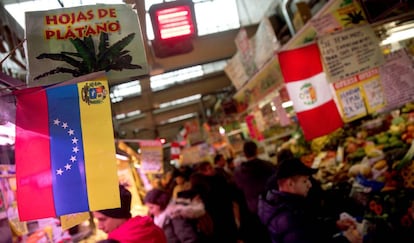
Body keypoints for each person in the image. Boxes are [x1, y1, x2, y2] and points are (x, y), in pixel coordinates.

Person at [258, 157, 362, 243]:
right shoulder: (288, 218)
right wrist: (346, 239)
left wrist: (335, 225)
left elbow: (309, 229)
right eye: (305, 181)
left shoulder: (288, 204)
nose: (310, 185)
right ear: (290, 183)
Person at [93, 185, 166, 243]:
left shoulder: (118, 240)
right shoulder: (151, 228)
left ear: (117, 215)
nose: (99, 226)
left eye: (102, 219)